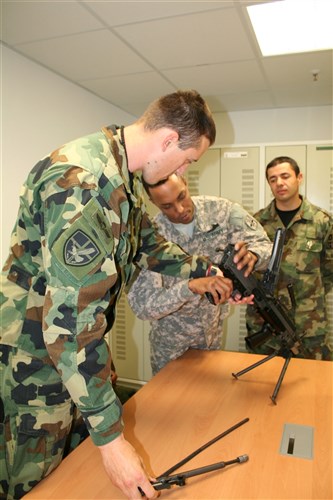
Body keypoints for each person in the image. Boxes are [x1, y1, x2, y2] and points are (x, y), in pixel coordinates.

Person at [0, 90, 234, 500]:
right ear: (166, 141)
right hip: (34, 359)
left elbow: (149, 247)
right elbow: (71, 323)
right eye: (187, 159)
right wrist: (110, 439)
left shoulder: (121, 177)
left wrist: (208, 271)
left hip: (66, 358)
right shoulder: (84, 183)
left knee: (72, 471)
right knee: (34, 482)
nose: (184, 170)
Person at [127, 174, 273, 375]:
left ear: (185, 182)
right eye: (167, 206)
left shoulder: (223, 211)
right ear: (153, 202)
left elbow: (266, 247)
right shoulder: (151, 237)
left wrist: (253, 257)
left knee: (210, 403)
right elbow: (143, 307)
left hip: (211, 341)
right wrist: (190, 287)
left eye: (181, 197)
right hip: (170, 350)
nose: (179, 210)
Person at [246, 156, 333, 360]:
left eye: (285, 176)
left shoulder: (322, 222)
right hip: (266, 322)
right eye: (273, 179)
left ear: (299, 177)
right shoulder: (256, 223)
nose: (279, 183)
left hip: (309, 326)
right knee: (261, 383)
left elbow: (329, 271)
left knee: (313, 384)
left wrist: (308, 297)